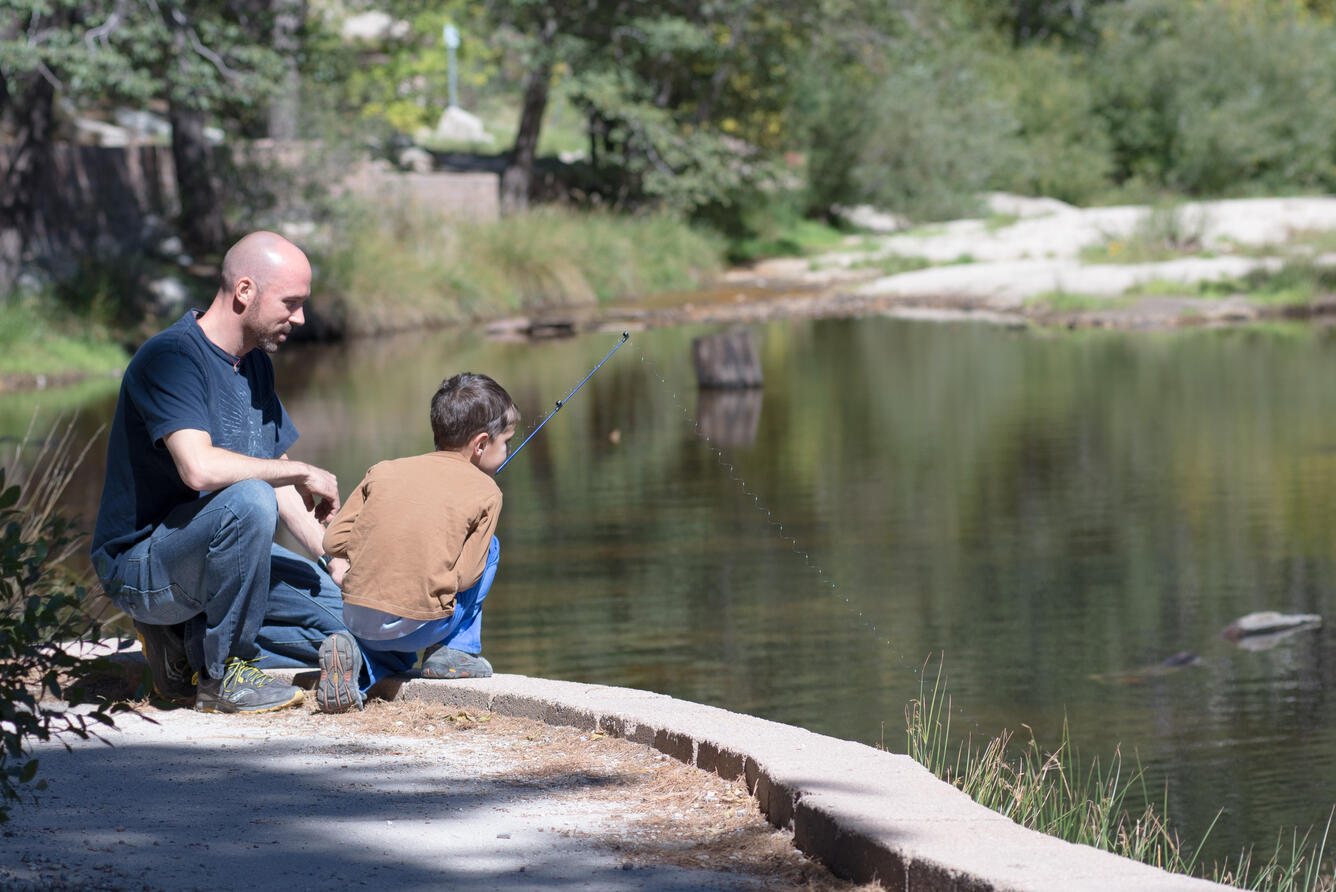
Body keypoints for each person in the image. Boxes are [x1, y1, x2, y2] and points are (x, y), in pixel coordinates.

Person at [90, 231, 352, 714]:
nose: (300, 318)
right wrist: (300, 469)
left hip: (222, 556)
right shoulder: (170, 358)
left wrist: (332, 560)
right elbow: (199, 469)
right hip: (143, 568)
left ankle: (184, 649)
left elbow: (280, 488)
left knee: (352, 616)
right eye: (290, 303)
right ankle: (224, 675)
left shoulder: (254, 365)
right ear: (245, 291)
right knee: (250, 497)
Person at [313, 372, 517, 713]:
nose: (507, 449)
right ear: (481, 444)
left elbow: (332, 541)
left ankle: (353, 654)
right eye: (506, 441)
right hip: (422, 626)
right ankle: (455, 651)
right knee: (490, 548)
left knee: (394, 652)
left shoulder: (384, 470)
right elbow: (466, 579)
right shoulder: (486, 493)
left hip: (358, 618)